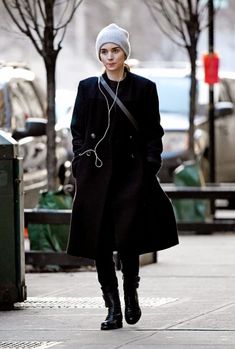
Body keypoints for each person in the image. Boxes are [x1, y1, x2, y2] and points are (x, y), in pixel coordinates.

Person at [67, 23, 179, 330]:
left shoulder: (143, 88)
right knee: (100, 243)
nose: (109, 56)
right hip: (96, 176)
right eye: (104, 51)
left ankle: (131, 295)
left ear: (125, 53)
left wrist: (149, 165)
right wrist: (80, 161)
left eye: (115, 50)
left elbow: (153, 132)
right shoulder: (87, 88)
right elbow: (77, 129)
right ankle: (112, 307)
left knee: (128, 239)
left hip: (130, 176)